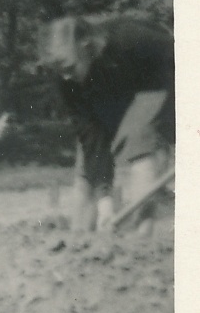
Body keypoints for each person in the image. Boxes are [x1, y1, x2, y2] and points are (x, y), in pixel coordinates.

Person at [37, 15, 174, 234]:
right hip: (113, 100)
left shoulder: (130, 38)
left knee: (137, 139)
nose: (64, 76)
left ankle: (142, 236)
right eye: (58, 70)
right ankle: (81, 241)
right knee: (86, 167)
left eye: (69, 67)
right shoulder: (65, 81)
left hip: (155, 83)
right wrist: (105, 204)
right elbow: (91, 137)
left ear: (85, 43)